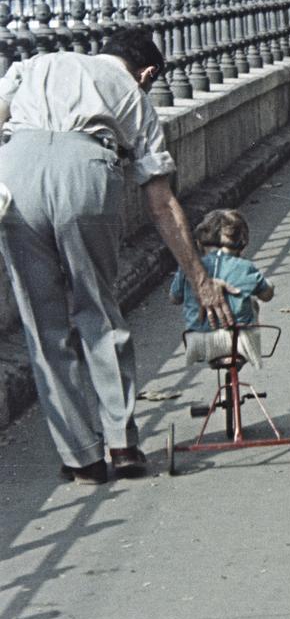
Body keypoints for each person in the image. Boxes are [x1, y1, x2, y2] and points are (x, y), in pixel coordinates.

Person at [0, 27, 233, 485]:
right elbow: (161, 202)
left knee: (42, 323)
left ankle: (81, 456)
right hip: (86, 172)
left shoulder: (37, 64)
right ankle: (122, 444)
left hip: (18, 169)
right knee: (99, 310)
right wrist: (199, 277)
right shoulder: (134, 96)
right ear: (146, 73)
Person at [170, 208, 275, 367]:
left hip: (198, 343)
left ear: (200, 241)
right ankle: (239, 360)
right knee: (253, 303)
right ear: (242, 243)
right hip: (239, 343)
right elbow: (267, 295)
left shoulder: (189, 269)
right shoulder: (245, 267)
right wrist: (269, 285)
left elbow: (175, 298)